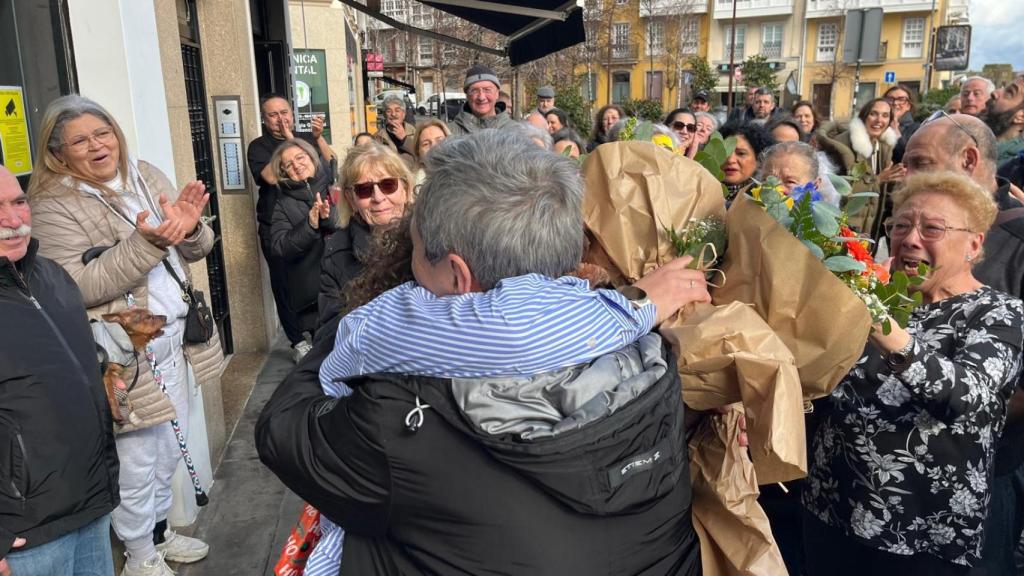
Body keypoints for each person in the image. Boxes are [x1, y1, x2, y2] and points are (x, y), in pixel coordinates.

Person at [257, 129, 706, 576]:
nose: (407, 267)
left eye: (413, 251)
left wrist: (352, 329)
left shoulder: (396, 422)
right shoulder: (653, 356)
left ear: (458, 276)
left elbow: (282, 430)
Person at [27, 95, 222, 576]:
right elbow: (77, 286)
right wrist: (148, 242)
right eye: (80, 140)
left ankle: (158, 533)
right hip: (125, 354)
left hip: (176, 340)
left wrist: (191, 228)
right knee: (137, 460)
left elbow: (195, 246)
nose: (97, 146)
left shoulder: (145, 173)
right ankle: (138, 557)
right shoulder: (52, 205)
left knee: (168, 452)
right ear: (58, 152)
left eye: (103, 132)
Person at [802, 171, 1024, 575]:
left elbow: (972, 399)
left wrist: (885, 329)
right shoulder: (877, 297)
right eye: (901, 225)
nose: (911, 238)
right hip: (831, 510)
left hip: (920, 535)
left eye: (932, 228)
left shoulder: (998, 313)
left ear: (974, 244)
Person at [903, 113, 1024, 576]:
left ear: (969, 159)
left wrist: (949, 423)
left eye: (919, 163)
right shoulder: (907, 232)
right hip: (889, 494)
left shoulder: (1017, 241)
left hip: (982, 483)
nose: (908, 175)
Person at [0, 164, 120, 576]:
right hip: (24, 535)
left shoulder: (51, 276)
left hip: (89, 506)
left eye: (19, 202)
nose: (13, 221)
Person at [248, 93, 333, 360]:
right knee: (285, 282)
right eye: (273, 114)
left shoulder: (306, 138)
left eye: (284, 112)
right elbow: (270, 177)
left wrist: (317, 138)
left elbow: (328, 163)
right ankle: (297, 340)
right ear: (264, 119)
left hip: (318, 217)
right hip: (278, 221)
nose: (280, 118)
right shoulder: (258, 147)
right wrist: (290, 141)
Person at [317, 144, 413, 328]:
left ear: (406, 189)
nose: (378, 197)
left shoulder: (431, 238)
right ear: (351, 199)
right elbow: (329, 329)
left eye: (388, 185)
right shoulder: (336, 253)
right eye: (364, 190)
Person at [269, 138, 338, 340]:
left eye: (300, 157)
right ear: (284, 172)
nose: (297, 165)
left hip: (350, 288)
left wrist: (328, 218)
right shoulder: (283, 203)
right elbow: (279, 247)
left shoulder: (334, 184)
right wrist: (309, 225)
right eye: (288, 165)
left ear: (312, 156)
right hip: (314, 298)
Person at [817, 97, 903, 238]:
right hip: (841, 229)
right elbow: (838, 191)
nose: (879, 120)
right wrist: (878, 180)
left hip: (868, 229)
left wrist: (896, 182)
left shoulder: (883, 146)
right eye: (873, 114)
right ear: (863, 116)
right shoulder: (841, 147)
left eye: (885, 115)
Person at [449, 64, 513, 136]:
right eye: (474, 91)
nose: (481, 97)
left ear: (497, 93)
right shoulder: (448, 132)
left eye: (487, 90)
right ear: (467, 95)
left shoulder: (516, 131)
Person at [719, 121, 775, 200]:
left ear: (759, 160)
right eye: (725, 152)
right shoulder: (702, 189)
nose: (730, 160)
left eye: (741, 153)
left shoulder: (767, 198)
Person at [981, 75, 1024, 167]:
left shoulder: (1015, 168)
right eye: (1003, 88)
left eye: (1009, 92)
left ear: (1021, 116)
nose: (994, 92)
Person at [373, 95, 416, 167]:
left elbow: (421, 155)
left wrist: (405, 139)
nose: (393, 114)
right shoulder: (377, 137)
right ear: (384, 115)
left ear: (404, 114)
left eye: (397, 110)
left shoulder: (415, 132)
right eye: (389, 111)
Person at [884, 84, 920, 162]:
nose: (895, 103)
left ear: (909, 106)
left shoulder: (917, 129)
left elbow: (909, 159)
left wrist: (895, 132)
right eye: (890, 99)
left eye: (901, 99)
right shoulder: (876, 125)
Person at [411, 119, 449, 186]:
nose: (434, 147)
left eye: (440, 141)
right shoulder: (412, 187)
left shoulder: (466, 176)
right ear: (418, 153)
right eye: (426, 144)